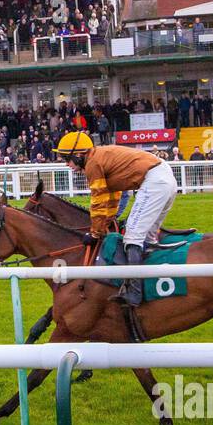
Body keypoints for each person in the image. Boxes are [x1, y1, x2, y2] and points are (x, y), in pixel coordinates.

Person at [54, 130, 179, 306]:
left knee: (132, 237)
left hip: (155, 181)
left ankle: (134, 293)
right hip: (164, 178)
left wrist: (95, 233)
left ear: (79, 154)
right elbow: (112, 196)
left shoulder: (93, 163)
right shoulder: (100, 157)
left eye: (67, 159)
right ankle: (150, 282)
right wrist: (107, 222)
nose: (67, 164)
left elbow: (98, 200)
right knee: (148, 238)